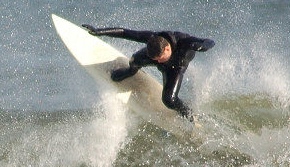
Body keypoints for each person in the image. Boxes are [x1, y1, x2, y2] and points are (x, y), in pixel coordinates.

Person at [81, 23, 214, 121]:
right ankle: (130, 72)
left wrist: (203, 46)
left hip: (176, 67)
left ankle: (189, 115)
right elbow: (125, 32)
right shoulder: (153, 38)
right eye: (155, 59)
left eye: (159, 58)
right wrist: (99, 32)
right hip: (161, 57)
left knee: (169, 100)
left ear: (167, 49)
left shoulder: (185, 42)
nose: (158, 62)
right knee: (135, 59)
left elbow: (210, 41)